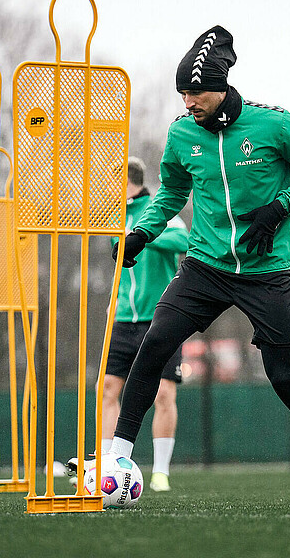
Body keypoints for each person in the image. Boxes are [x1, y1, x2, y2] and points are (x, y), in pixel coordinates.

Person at [109, 25, 290, 505]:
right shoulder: (181, 134)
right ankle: (119, 455)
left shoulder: (274, 124)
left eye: (195, 93)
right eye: (182, 94)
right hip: (205, 266)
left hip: (266, 272)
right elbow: (173, 193)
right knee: (156, 341)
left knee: (285, 377)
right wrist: (142, 232)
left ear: (220, 87)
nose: (187, 103)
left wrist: (280, 206)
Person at [98, 156, 189, 493]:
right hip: (123, 318)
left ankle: (160, 471)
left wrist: (144, 234)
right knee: (108, 388)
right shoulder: (114, 216)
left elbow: (184, 241)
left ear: (126, 179)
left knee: (163, 392)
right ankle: (109, 463)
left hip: (160, 317)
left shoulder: (158, 209)